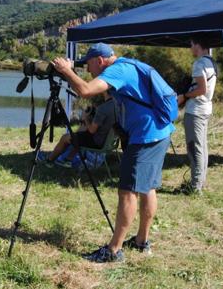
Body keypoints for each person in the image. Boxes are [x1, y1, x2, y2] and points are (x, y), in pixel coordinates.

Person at [52, 43, 174, 263]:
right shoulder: (128, 65)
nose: (88, 71)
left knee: (127, 192)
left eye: (89, 65)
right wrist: (74, 66)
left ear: (99, 61)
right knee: (147, 187)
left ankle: (113, 250)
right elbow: (92, 81)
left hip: (145, 136)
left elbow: (86, 91)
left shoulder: (117, 71)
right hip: (159, 131)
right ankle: (141, 241)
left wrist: (65, 71)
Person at [177, 35, 217, 193]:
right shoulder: (211, 62)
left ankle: (195, 187)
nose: (190, 48)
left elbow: (201, 89)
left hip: (196, 111)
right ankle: (200, 182)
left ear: (198, 45)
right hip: (205, 109)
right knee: (202, 147)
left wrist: (185, 96)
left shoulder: (199, 63)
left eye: (191, 44)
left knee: (195, 148)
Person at [37, 91, 115, 167]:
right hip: (106, 142)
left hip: (96, 142)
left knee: (65, 138)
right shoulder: (118, 106)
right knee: (79, 133)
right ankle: (67, 159)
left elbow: (92, 130)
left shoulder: (103, 108)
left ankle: (49, 160)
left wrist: (85, 118)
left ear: (105, 91)